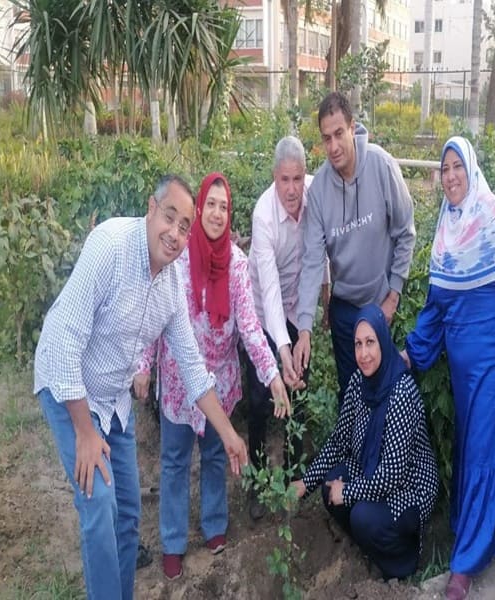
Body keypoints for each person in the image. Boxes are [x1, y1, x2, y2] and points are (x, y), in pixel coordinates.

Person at [34, 174, 248, 600]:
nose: (176, 232)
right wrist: (84, 432)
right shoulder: (110, 245)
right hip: (67, 386)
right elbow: (65, 339)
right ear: (151, 209)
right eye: (170, 216)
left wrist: (228, 434)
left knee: (129, 514)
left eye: (185, 225)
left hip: (114, 400)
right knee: (99, 507)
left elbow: (191, 365)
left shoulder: (170, 286)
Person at [133, 173, 290, 580]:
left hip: (219, 382)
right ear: (199, 208)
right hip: (179, 383)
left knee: (217, 455)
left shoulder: (237, 265)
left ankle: (215, 526)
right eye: (212, 205)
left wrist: (271, 374)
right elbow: (154, 314)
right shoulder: (178, 259)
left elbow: (251, 328)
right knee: (174, 460)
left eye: (225, 206)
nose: (218, 213)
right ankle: (172, 541)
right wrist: (143, 365)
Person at [402, 137, 495, 600]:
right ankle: (485, 538)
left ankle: (464, 565)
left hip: (494, 362)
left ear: (471, 170)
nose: (451, 175)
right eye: (445, 168)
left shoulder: (492, 215)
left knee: (482, 452)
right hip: (462, 370)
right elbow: (436, 309)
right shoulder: (446, 229)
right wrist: (410, 354)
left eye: (458, 166)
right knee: (477, 450)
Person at [291, 304, 439, 580]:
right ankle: (370, 546)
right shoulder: (359, 382)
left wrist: (348, 492)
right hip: (371, 469)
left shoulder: (400, 392)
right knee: (328, 487)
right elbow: (339, 440)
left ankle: (403, 563)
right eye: (358, 344)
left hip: (409, 487)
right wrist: (307, 482)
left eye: (370, 342)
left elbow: (393, 474)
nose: (363, 354)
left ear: (383, 341)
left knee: (362, 516)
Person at [293, 91, 416, 405]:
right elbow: (311, 261)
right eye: (326, 138)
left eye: (338, 134)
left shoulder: (381, 165)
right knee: (352, 399)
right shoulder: (319, 190)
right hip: (345, 309)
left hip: (379, 304)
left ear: (352, 128)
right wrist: (304, 327)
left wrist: (393, 295)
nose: (333, 147)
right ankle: (357, 455)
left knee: (387, 393)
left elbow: (405, 233)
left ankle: (387, 454)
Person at [245, 136, 330, 520]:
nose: (293, 189)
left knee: (300, 390)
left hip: (300, 309)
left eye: (298, 178)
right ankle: (258, 478)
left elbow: (319, 252)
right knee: (262, 398)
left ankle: (296, 475)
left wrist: (322, 298)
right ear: (274, 178)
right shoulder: (264, 218)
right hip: (264, 313)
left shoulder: (314, 196)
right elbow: (269, 286)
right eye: (285, 180)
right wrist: (281, 349)